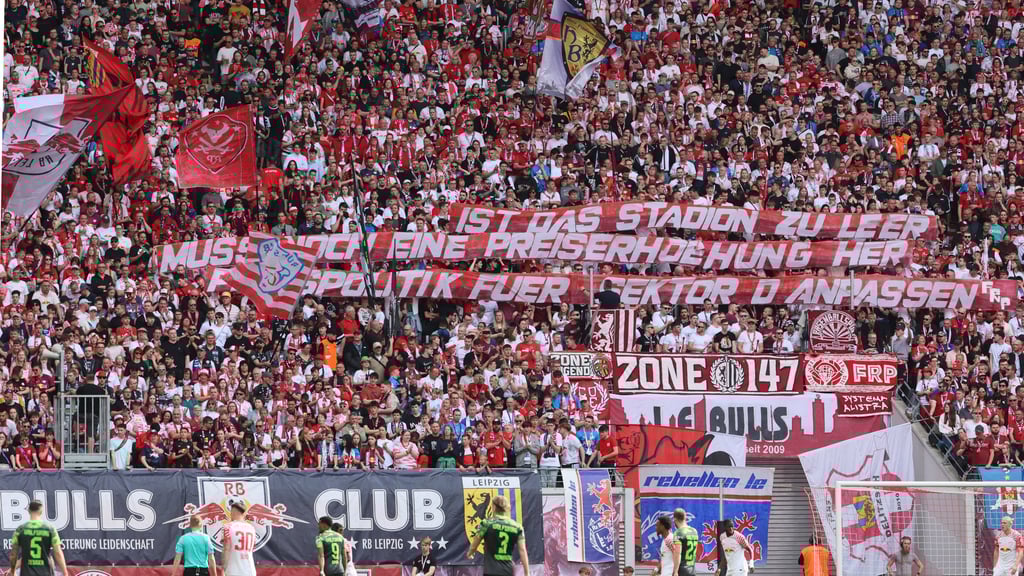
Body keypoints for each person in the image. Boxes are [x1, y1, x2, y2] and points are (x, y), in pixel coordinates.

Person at [467, 494, 530, 576]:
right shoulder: (517, 527)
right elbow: (522, 550)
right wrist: (527, 573)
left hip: (491, 570)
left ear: (493, 507)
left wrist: (470, 553)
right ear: (506, 508)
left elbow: (475, 544)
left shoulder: (486, 524)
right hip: (508, 570)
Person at [9, 500, 68, 576]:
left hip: (26, 573)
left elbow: (14, 554)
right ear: (41, 511)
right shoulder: (50, 529)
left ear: (29, 511)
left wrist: (12, 570)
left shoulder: (20, 529)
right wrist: (65, 572)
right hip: (46, 572)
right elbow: (58, 553)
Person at [222, 499, 257, 576]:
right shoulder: (252, 528)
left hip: (234, 570)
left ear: (233, 512)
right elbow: (252, 548)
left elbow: (226, 549)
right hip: (250, 570)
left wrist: (224, 567)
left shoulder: (228, 527)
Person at [672, 508, 699, 576]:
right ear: (685, 518)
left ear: (675, 519)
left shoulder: (678, 533)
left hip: (682, 570)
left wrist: (675, 571)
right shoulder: (694, 531)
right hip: (692, 569)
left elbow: (678, 554)